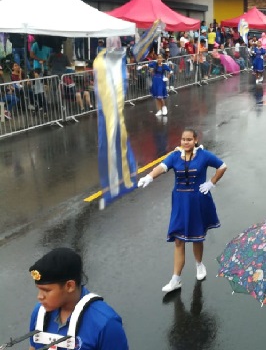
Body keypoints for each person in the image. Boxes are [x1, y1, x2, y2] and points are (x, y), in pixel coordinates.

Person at [137, 128, 227, 293]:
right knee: (179, 239)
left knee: (197, 237)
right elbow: (162, 167)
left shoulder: (204, 155)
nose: (186, 142)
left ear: (195, 140)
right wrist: (149, 176)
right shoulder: (175, 156)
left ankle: (199, 264)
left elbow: (222, 166)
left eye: (189, 139)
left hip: (197, 200)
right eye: (183, 139)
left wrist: (211, 182)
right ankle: (176, 279)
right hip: (180, 202)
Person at [28, 248, 129, 349]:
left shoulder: (106, 323)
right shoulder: (39, 313)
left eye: (47, 290)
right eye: (39, 289)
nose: (40, 296)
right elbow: (33, 347)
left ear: (69, 286)